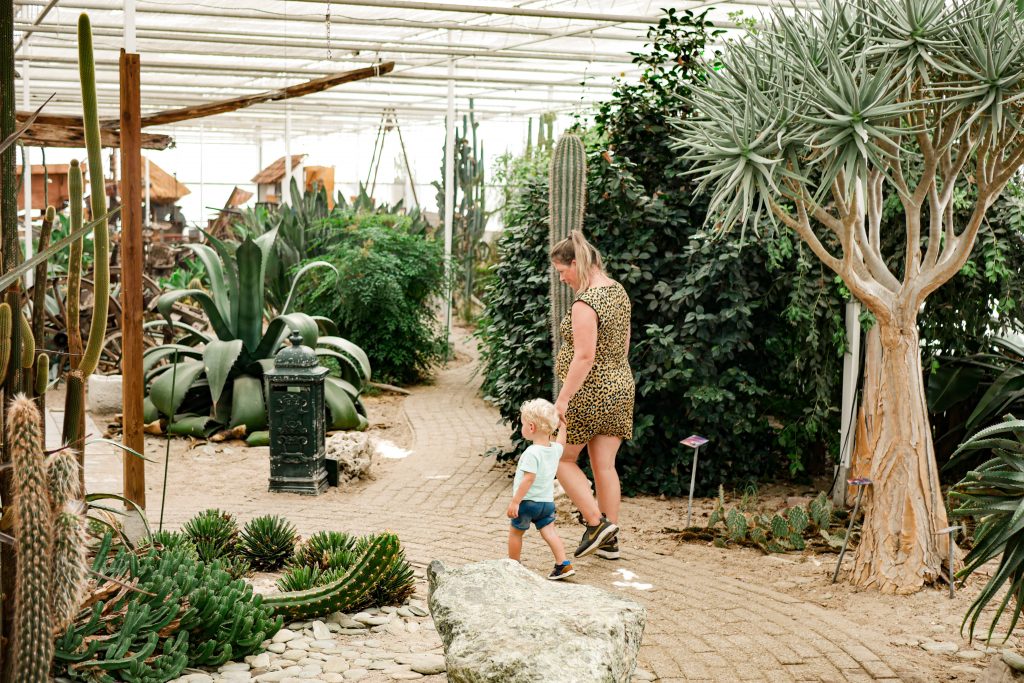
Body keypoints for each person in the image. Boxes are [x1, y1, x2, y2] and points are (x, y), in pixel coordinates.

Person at [551, 230, 634, 559]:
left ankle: (596, 522)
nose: (562, 279)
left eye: (562, 271)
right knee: (605, 467)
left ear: (576, 263)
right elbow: (623, 345)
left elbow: (585, 357)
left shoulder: (586, 303)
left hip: (589, 391)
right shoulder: (618, 291)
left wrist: (563, 399)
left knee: (561, 459)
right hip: (620, 385)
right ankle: (610, 541)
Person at [507, 398, 575, 580]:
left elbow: (528, 479)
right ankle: (563, 564)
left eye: (522, 424)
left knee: (515, 532)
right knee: (550, 532)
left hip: (527, 503)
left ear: (531, 427)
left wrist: (515, 502)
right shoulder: (554, 450)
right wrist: (563, 427)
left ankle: (513, 565)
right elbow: (561, 443)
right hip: (546, 503)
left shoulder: (531, 453)